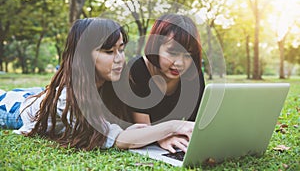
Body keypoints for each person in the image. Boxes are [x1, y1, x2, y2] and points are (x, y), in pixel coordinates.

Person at [0, 18, 194, 151]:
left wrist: (155, 133)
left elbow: (130, 127)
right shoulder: (67, 98)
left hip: (39, 94)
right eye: (109, 52)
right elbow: (120, 139)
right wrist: (174, 126)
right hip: (15, 108)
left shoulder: (114, 83)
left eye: (121, 49)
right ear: (84, 56)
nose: (119, 59)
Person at [110, 14, 205, 153]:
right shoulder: (137, 70)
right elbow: (144, 129)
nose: (179, 63)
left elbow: (196, 125)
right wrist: (162, 137)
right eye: (172, 52)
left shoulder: (192, 75)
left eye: (187, 55)